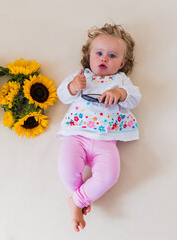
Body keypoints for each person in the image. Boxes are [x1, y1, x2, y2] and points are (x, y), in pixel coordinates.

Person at [57, 23, 141, 232]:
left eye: (112, 56)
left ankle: (77, 199)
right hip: (76, 135)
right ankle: (80, 198)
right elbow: (62, 95)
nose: (104, 58)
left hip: (106, 141)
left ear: (122, 63)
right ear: (89, 56)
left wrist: (120, 94)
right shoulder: (81, 76)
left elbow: (135, 98)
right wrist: (73, 86)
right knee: (66, 168)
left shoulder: (121, 81)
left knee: (109, 176)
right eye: (99, 53)